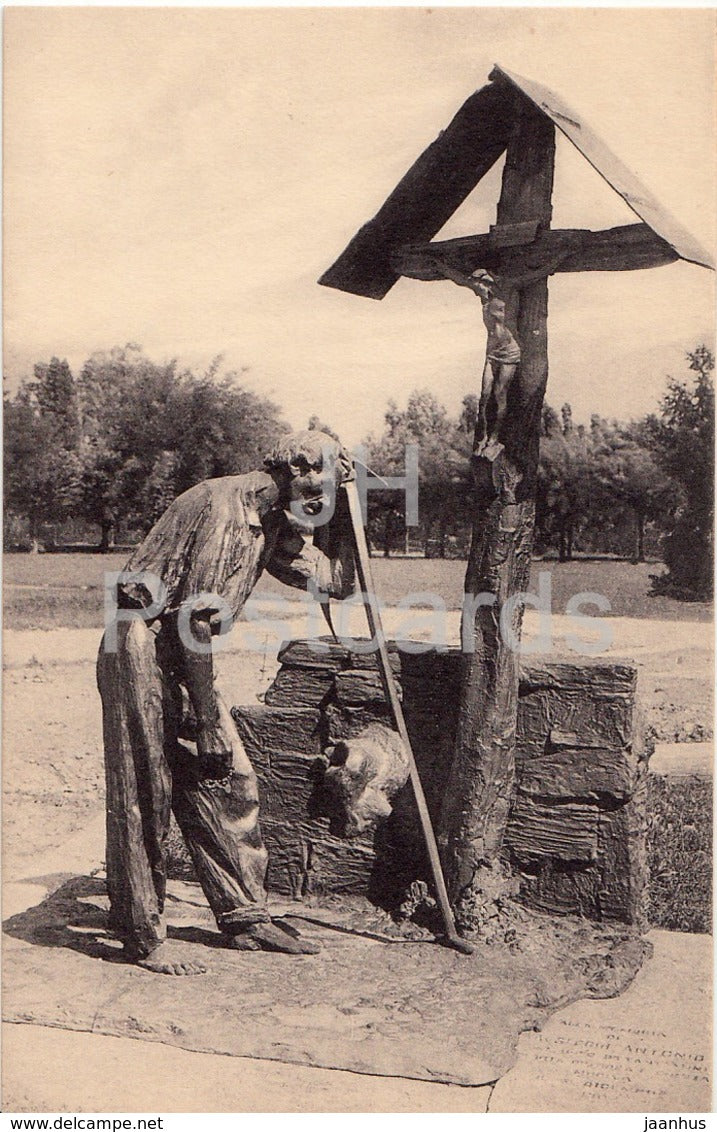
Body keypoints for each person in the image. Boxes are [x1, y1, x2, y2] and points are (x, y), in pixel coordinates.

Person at [97, 430, 355, 974]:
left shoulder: (274, 522)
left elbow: (335, 585)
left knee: (229, 779)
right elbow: (194, 618)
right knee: (149, 786)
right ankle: (142, 935)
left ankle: (245, 916)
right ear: (296, 468)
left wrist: (350, 517)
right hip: (140, 645)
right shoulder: (224, 507)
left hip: (184, 653)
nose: (322, 498)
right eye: (322, 484)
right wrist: (208, 717)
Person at [433, 261, 521, 457]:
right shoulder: (484, 301)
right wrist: (440, 266)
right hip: (491, 353)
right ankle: (482, 435)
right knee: (484, 396)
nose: (475, 290)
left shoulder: (504, 297)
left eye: (478, 286)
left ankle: (495, 437)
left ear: (487, 284)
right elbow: (460, 280)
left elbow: (533, 276)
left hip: (509, 352)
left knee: (499, 394)